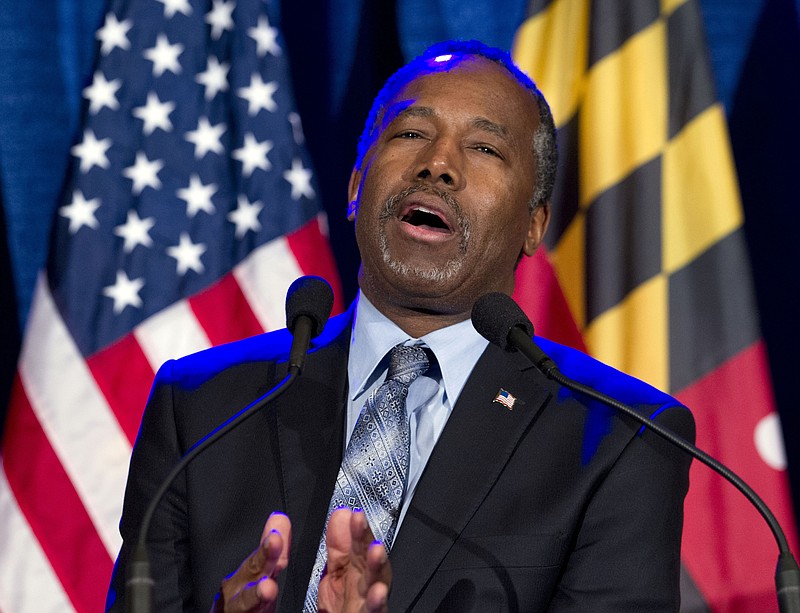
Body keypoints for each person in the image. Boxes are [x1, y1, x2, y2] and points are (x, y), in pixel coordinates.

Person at [107, 40, 694, 612]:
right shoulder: (203, 408)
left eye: (485, 148)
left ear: (534, 225)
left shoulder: (621, 440)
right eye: (412, 134)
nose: (437, 165)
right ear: (357, 186)